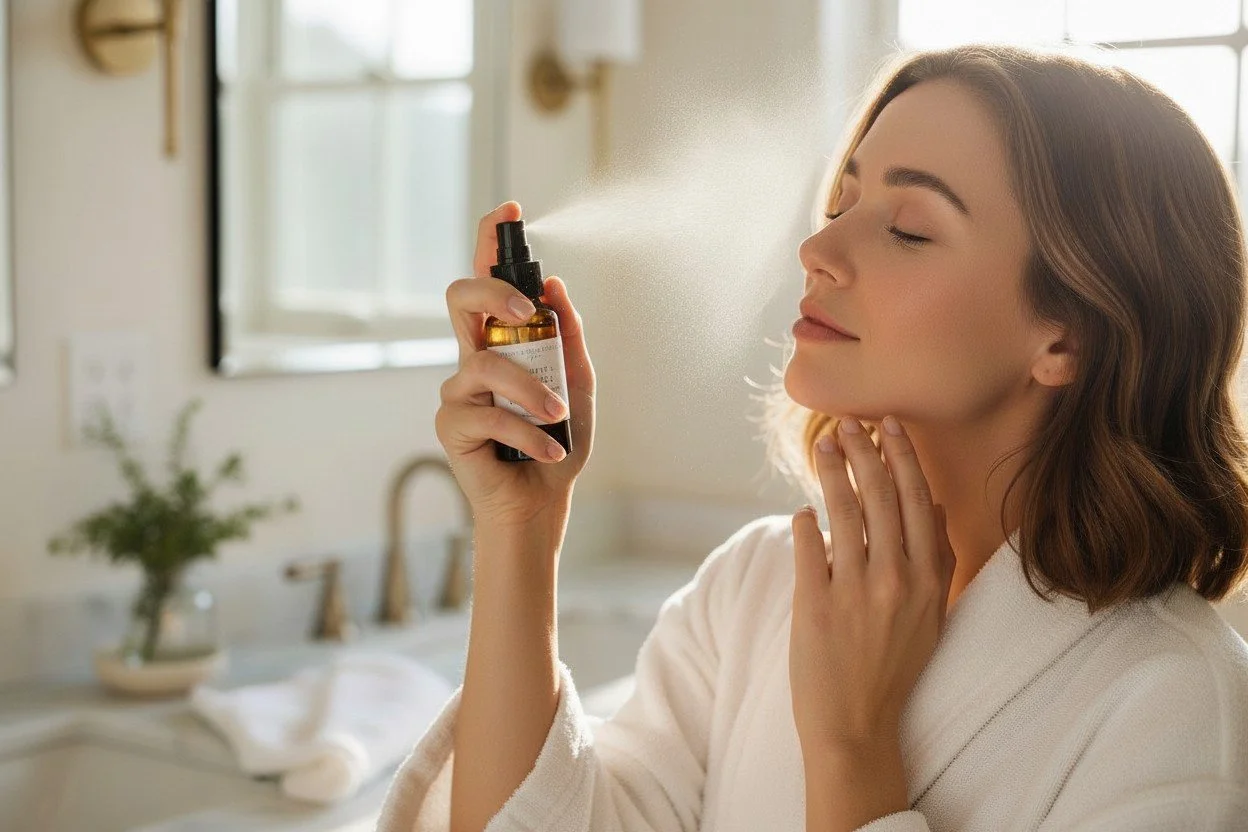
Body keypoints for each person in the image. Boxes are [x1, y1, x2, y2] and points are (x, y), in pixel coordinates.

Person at [378, 43, 1248, 832]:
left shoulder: (1178, 709)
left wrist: (854, 752)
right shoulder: (753, 589)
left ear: (1067, 335)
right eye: (842, 201)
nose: (819, 246)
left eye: (908, 228)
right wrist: (521, 530)